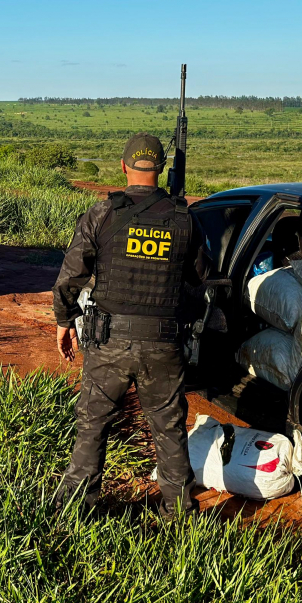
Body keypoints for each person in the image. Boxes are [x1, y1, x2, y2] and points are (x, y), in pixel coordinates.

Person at [52, 133, 209, 516]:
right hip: (163, 343)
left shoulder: (102, 214)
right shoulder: (185, 220)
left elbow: (71, 275)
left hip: (108, 342)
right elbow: (200, 281)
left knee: (93, 424)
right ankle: (180, 518)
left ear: (124, 167)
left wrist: (64, 320)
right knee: (168, 427)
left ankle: (75, 510)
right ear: (160, 170)